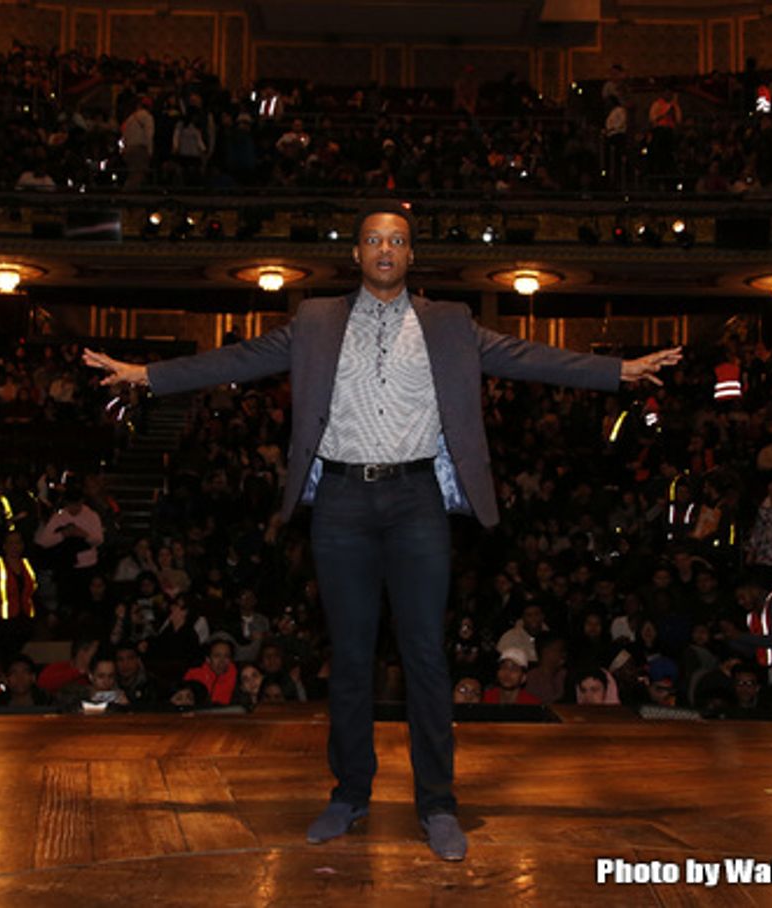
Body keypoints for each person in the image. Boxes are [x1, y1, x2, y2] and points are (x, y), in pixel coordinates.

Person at [82, 200, 681, 861]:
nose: (386, 249)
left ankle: (437, 803)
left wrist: (615, 371)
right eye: (374, 240)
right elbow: (242, 357)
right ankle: (350, 794)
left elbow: (524, 356)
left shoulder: (451, 322)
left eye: (397, 240)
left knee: (426, 655)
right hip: (339, 499)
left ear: (411, 254)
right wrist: (147, 375)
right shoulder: (314, 319)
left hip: (416, 498)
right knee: (352, 657)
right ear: (357, 254)